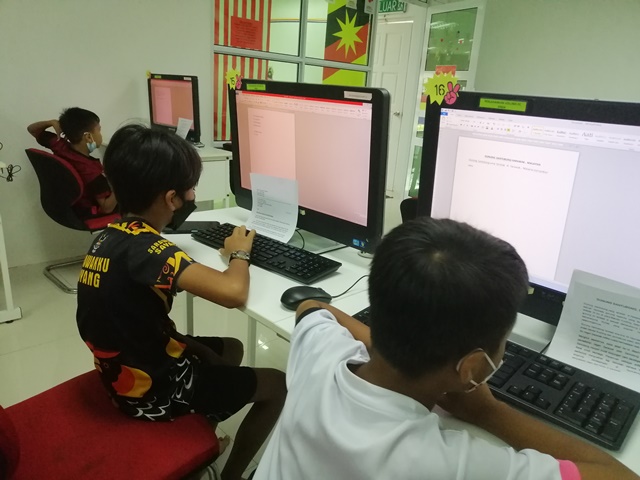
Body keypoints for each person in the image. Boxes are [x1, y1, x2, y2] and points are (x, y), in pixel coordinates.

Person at [253, 217, 639, 480]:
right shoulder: (448, 465)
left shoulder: (318, 359)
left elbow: (312, 308)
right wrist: (489, 411)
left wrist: (393, 346)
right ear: (471, 367)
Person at [76, 124, 286, 480]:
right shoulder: (150, 249)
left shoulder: (110, 236)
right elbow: (233, 292)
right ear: (172, 199)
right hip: (148, 390)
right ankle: (231, 475)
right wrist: (239, 253)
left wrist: (194, 347)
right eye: (191, 188)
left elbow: (137, 316)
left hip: (124, 370)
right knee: (277, 384)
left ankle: (197, 435)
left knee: (232, 348)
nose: (193, 195)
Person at [27, 107, 117, 216]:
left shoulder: (60, 146)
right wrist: (122, 184)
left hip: (70, 205)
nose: (101, 134)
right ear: (88, 137)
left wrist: (51, 122)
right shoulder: (92, 172)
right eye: (99, 130)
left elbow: (32, 129)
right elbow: (107, 208)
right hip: (89, 211)